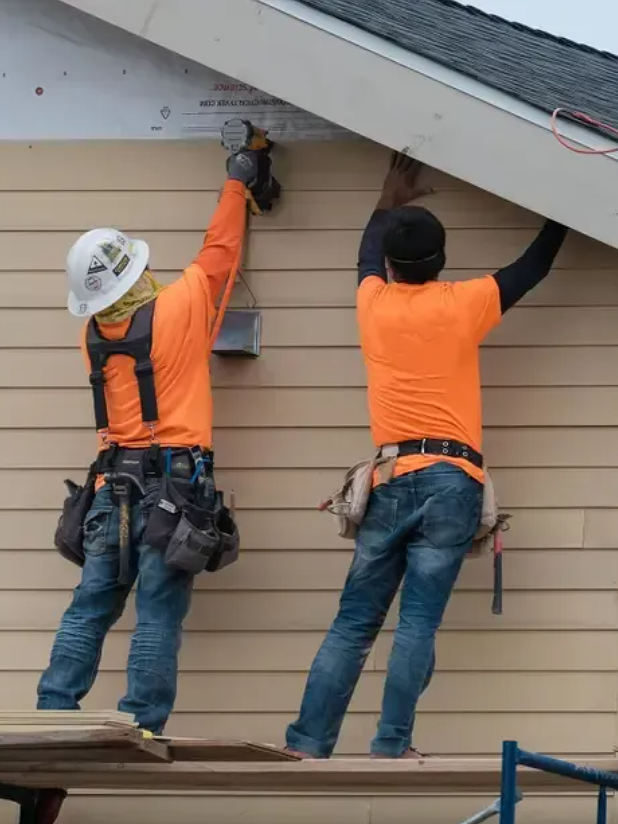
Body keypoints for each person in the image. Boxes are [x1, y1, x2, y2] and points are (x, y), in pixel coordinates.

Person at [286, 152, 568, 760]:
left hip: (389, 479)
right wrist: (563, 209)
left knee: (353, 624)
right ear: (440, 262)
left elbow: (366, 251)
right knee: (416, 625)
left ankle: (308, 743)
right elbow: (533, 266)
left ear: (391, 264)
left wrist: (387, 196)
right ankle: (391, 744)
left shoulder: (373, 303)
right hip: (451, 483)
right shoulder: (465, 303)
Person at [37, 146, 271, 735]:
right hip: (173, 482)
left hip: (110, 484)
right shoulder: (178, 307)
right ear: (135, 272)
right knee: (158, 613)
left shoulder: (91, 335)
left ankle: (52, 713)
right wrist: (237, 180)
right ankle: (141, 723)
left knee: (91, 605)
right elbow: (218, 254)